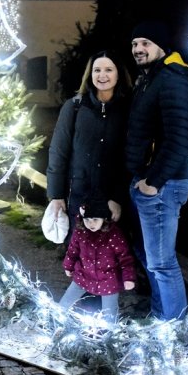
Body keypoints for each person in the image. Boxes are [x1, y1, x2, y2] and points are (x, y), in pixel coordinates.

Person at [126, 19, 188, 321]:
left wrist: (152, 182)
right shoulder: (152, 78)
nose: (138, 49)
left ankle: (174, 332)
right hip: (149, 183)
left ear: (161, 47)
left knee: (162, 263)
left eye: (145, 43)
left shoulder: (173, 78)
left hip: (163, 186)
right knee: (149, 258)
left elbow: (180, 140)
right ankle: (160, 318)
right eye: (134, 44)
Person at [46, 49, 132, 248]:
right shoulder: (74, 107)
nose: (102, 75)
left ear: (118, 74)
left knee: (112, 261)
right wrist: (56, 196)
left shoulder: (128, 110)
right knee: (78, 257)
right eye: (97, 70)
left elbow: (130, 158)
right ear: (90, 74)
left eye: (109, 70)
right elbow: (58, 152)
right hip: (78, 196)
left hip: (111, 199)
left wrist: (118, 197)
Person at [58, 197, 137, 324]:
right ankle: (55, 321)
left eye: (95, 219)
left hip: (108, 281)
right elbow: (73, 250)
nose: (91, 223)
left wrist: (128, 278)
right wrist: (68, 266)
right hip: (83, 275)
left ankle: (110, 336)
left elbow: (125, 258)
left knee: (110, 314)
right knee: (64, 303)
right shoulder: (80, 231)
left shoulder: (114, 235)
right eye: (87, 219)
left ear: (104, 219)